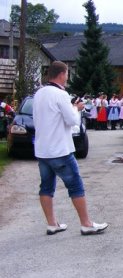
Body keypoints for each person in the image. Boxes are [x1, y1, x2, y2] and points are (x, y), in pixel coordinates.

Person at [32, 61, 108, 236]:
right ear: (61, 74)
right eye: (67, 74)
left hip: (43, 149)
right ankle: (86, 224)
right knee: (76, 186)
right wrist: (77, 108)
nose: (67, 78)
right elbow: (72, 121)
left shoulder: (39, 93)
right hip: (59, 149)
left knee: (46, 187)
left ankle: (52, 224)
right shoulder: (61, 94)